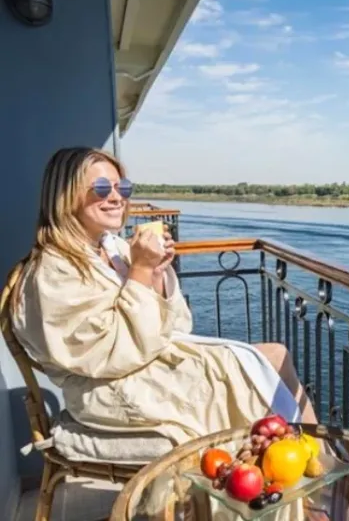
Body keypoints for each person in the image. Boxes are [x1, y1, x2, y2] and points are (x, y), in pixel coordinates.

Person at [9, 146, 317, 447]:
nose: (116, 197)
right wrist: (141, 268)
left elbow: (176, 326)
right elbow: (109, 353)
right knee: (255, 368)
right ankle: (304, 468)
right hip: (108, 389)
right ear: (65, 196)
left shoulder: (112, 249)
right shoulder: (53, 270)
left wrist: (155, 274)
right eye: (101, 188)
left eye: (123, 187)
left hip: (140, 366)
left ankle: (316, 460)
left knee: (274, 356)